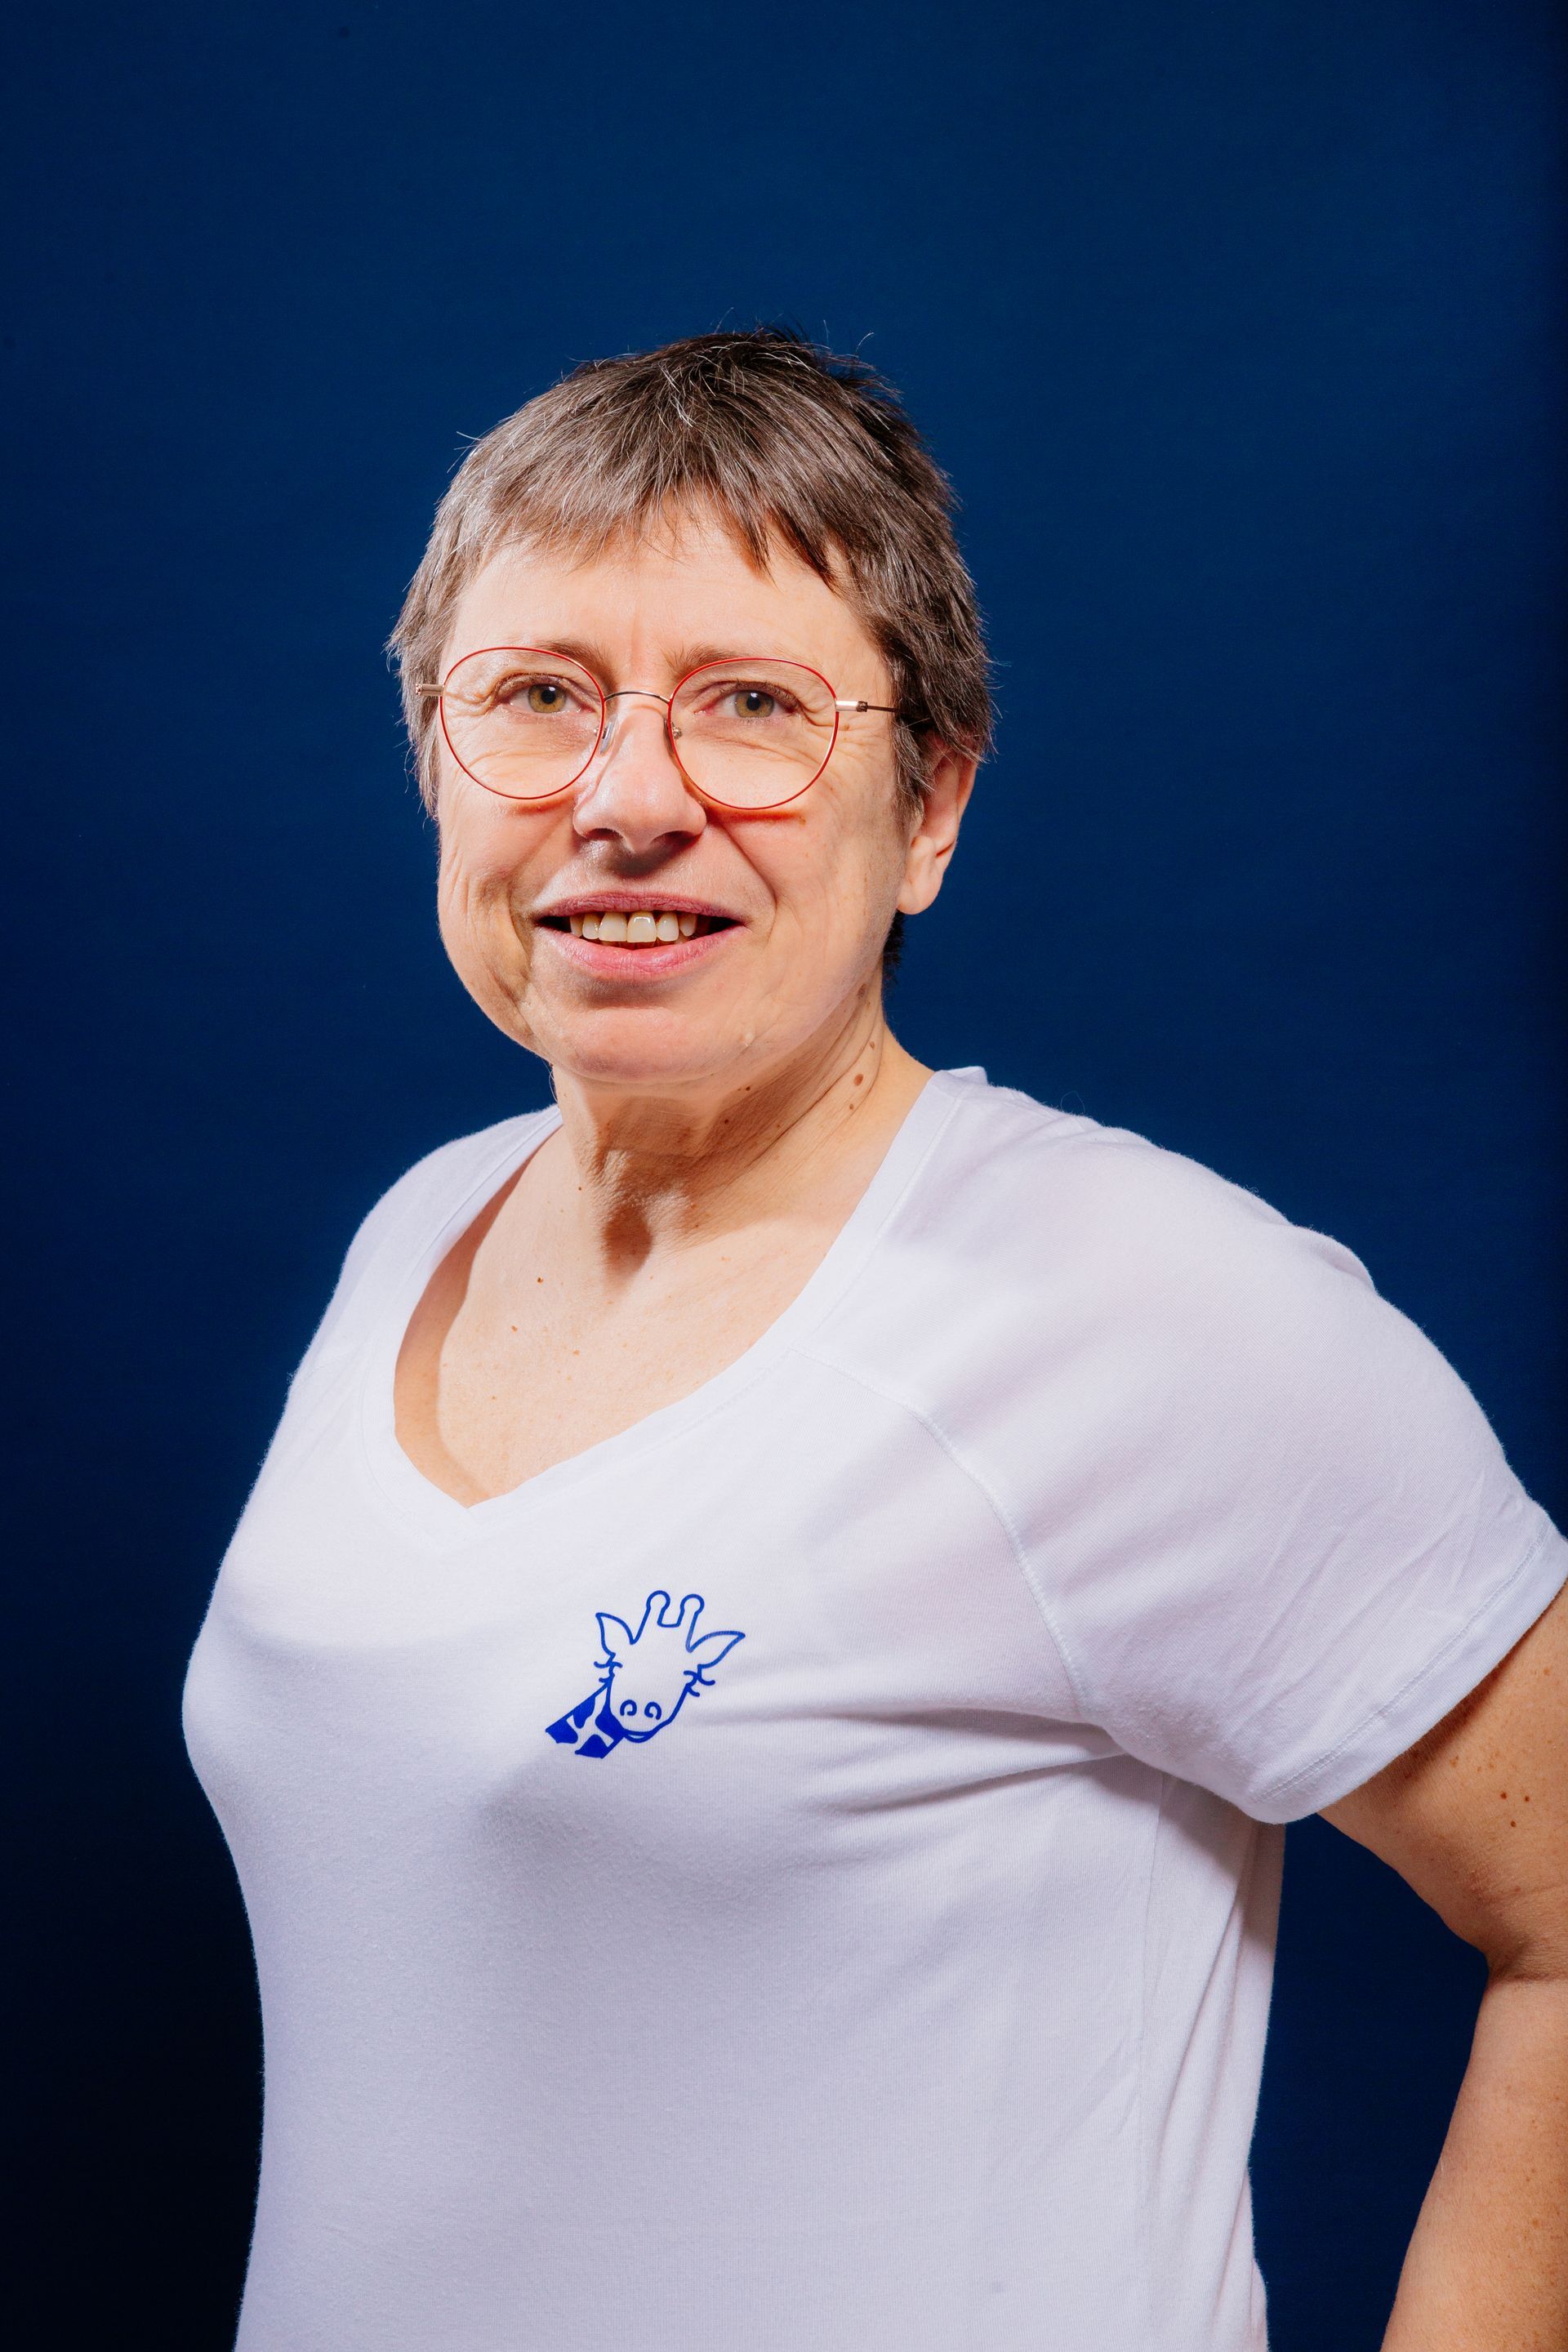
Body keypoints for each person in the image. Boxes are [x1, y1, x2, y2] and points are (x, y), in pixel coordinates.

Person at [185, 329, 1567, 2352]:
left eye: (752, 707)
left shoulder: (1144, 1310)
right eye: (537, 700)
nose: (628, 800)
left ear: (927, 805)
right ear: (431, 759)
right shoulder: (416, 1238)